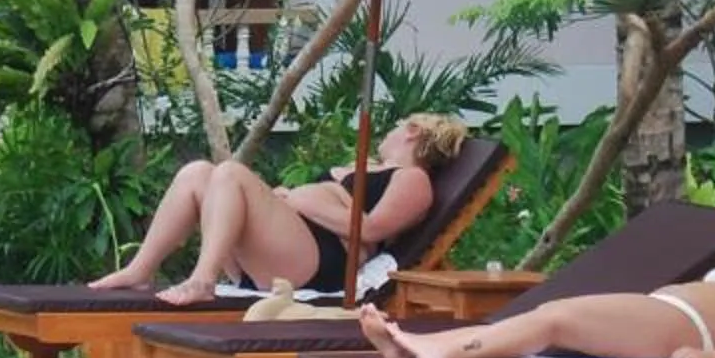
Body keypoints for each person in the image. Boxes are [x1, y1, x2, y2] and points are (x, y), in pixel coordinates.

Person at [92, 114, 467, 306]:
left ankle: (203, 279)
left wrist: (301, 200)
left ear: (414, 130)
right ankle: (140, 270)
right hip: (293, 246)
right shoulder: (370, 166)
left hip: (325, 262)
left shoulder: (413, 178)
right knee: (197, 173)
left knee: (231, 174)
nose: (390, 131)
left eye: (399, 126)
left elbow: (369, 230)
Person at [351, 234, 715, 358]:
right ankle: (410, 344)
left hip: (686, 328)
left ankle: (444, 351)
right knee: (545, 318)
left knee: (555, 319)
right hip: (665, 311)